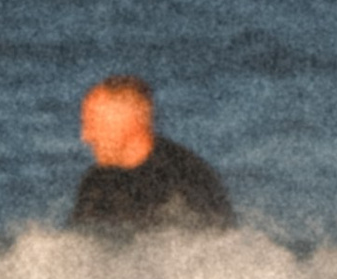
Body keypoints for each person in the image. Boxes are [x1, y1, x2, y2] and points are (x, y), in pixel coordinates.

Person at [67, 73, 236, 234]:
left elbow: (212, 247)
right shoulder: (96, 180)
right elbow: (79, 243)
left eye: (93, 123)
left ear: (128, 122)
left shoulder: (186, 178)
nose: (86, 136)